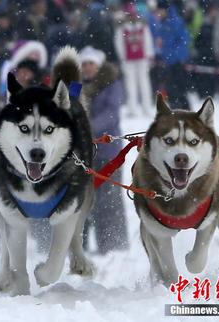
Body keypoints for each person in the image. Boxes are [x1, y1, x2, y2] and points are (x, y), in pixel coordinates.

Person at [79, 46, 129, 254]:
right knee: (82, 200)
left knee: (109, 199)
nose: (88, 68)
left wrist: (86, 128)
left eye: (91, 64)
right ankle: (79, 244)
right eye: (84, 64)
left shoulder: (112, 84)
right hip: (83, 153)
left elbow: (111, 115)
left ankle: (112, 243)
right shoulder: (76, 85)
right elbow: (68, 105)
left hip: (108, 151)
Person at [114, 4, 155, 116]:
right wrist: (123, 58)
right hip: (130, 60)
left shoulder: (140, 28)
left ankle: (145, 108)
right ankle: (133, 108)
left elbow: (148, 42)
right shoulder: (124, 29)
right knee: (132, 84)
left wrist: (149, 56)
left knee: (143, 83)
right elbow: (119, 44)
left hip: (140, 59)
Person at [154, 1, 191, 109]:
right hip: (168, 61)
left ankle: (184, 109)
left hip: (177, 62)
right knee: (171, 89)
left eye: (159, 10)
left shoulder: (175, 21)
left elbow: (184, 40)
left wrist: (177, 57)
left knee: (178, 88)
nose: (158, 13)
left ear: (165, 9)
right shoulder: (164, 23)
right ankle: (176, 109)